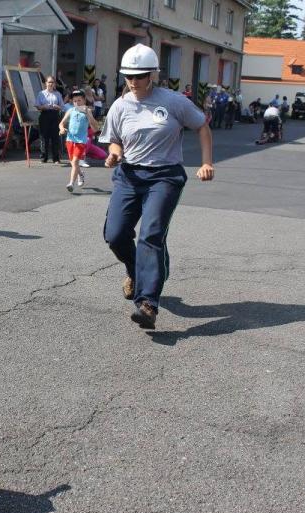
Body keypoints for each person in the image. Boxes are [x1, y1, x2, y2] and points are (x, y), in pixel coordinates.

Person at [100, 44, 214, 329]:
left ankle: (148, 304)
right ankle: (136, 271)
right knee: (115, 235)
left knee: (151, 235)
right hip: (129, 175)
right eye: (128, 76)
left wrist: (206, 162)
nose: (133, 81)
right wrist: (114, 154)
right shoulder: (120, 105)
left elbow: (202, 126)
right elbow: (114, 140)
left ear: (152, 74)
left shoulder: (173, 101)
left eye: (139, 76)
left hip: (164, 176)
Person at [58, 90, 100, 192]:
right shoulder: (71, 110)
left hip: (81, 141)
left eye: (79, 100)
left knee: (75, 161)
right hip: (70, 139)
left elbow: (95, 127)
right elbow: (61, 123)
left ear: (84, 100)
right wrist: (62, 129)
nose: (77, 103)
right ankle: (81, 174)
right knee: (74, 163)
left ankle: (71, 183)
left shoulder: (88, 111)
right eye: (75, 101)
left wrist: (87, 113)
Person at [34, 76, 64, 164]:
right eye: (49, 82)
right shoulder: (41, 93)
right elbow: (37, 106)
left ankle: (56, 158)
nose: (51, 84)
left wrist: (57, 106)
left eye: (52, 82)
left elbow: (62, 106)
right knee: (44, 137)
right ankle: (44, 157)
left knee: (55, 137)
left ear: (54, 84)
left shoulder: (58, 94)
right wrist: (43, 106)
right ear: (46, 83)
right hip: (44, 115)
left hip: (55, 115)